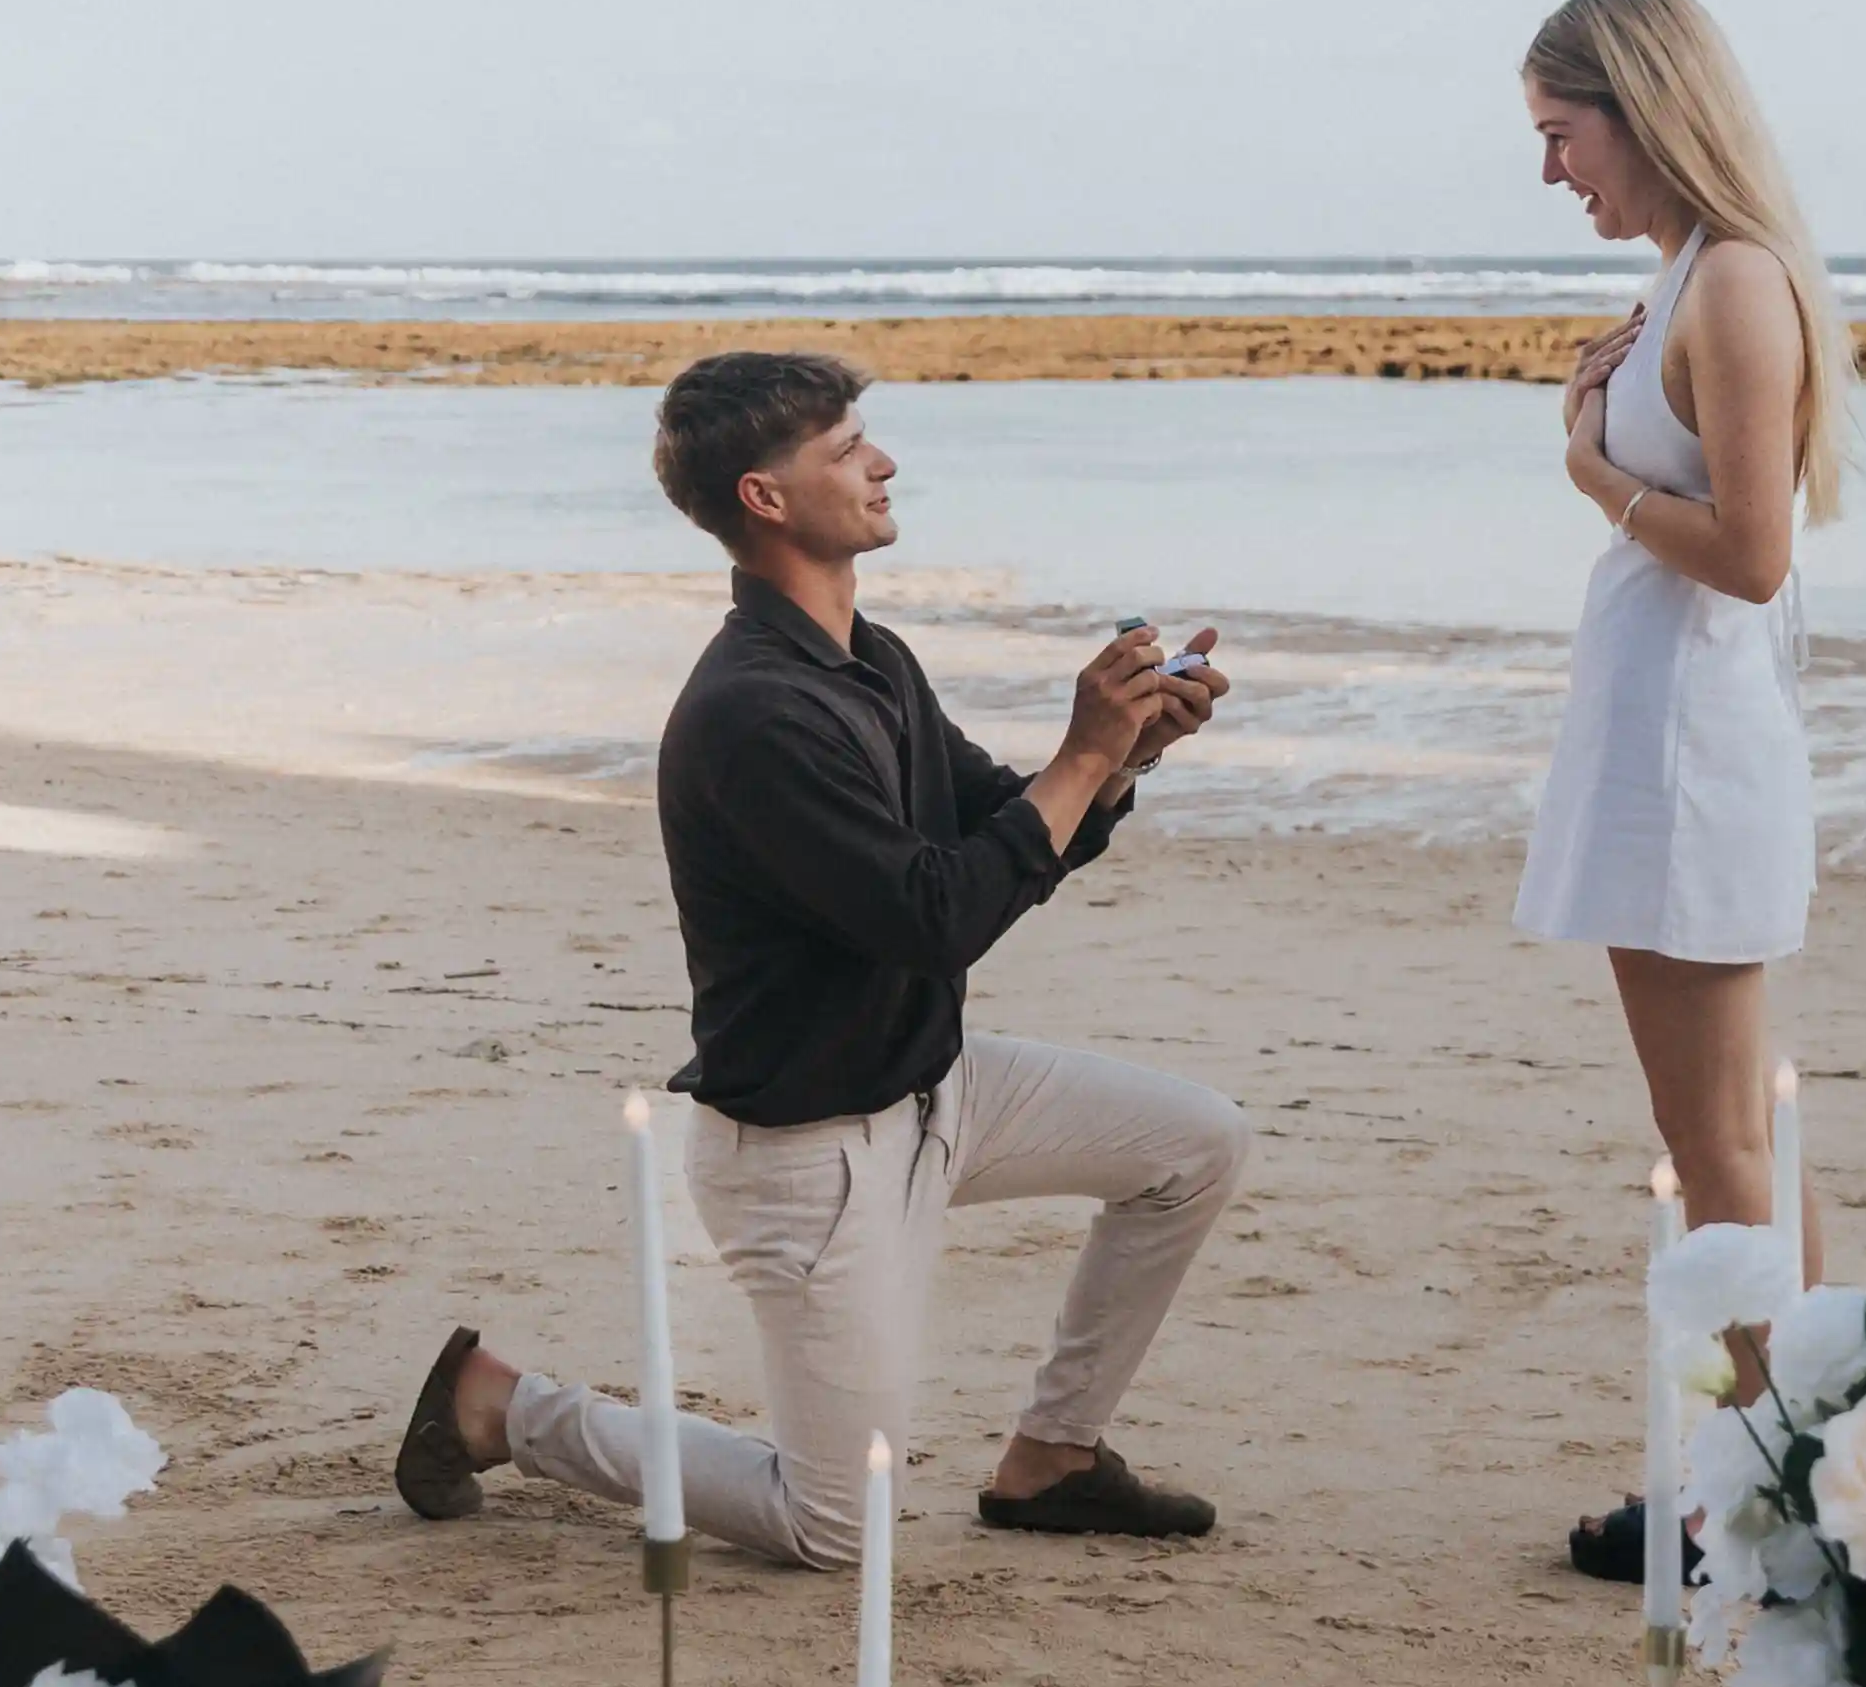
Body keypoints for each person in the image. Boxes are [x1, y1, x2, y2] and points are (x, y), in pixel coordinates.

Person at [388, 351, 1250, 1567]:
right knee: (835, 1526)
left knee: (1195, 1143)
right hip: (808, 1158)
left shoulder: (871, 658)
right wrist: (1080, 753)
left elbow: (999, 829)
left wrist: (1121, 755)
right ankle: (505, 1408)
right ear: (766, 498)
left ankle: (1053, 1456)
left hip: (932, 1086)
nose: (883, 462)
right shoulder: (753, 713)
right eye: (847, 449)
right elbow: (938, 917)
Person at [1512, 0, 1860, 1580]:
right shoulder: (1685, 280)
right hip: (1662, 741)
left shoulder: (1728, 285)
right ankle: (1789, 1465)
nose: (1549, 171)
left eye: (1558, 132)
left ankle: (1761, 1498)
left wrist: (1586, 466)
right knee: (1727, 1138)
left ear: (1640, 107)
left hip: (1689, 757)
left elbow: (1748, 551)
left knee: (1716, 1143)